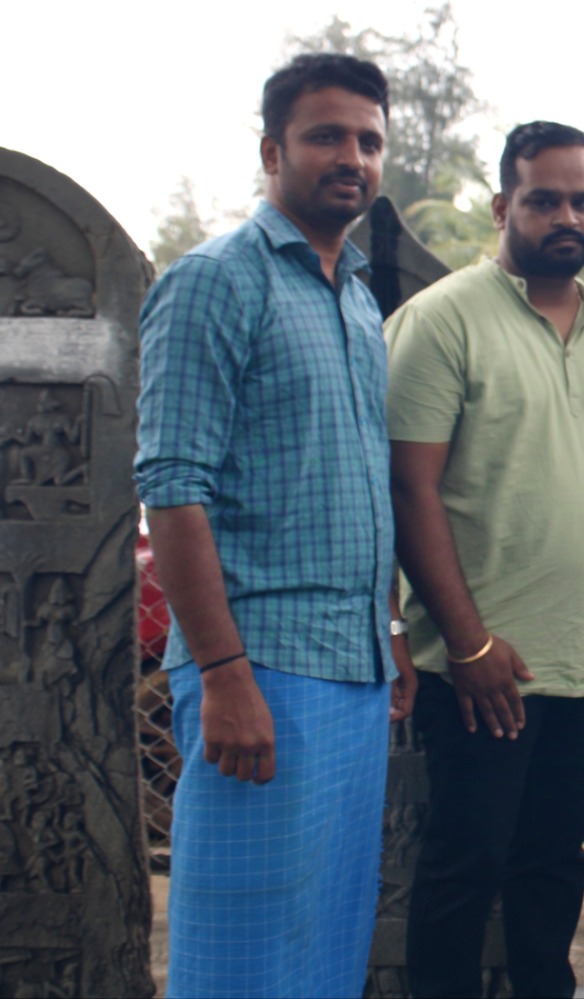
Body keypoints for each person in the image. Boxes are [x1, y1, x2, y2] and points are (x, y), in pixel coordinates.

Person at [134, 53, 415, 999]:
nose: (353, 156)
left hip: (351, 667)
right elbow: (172, 488)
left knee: (321, 942)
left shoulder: (356, 297)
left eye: (369, 140)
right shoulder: (217, 280)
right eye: (327, 135)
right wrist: (221, 673)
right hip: (261, 668)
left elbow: (356, 484)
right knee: (241, 950)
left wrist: (389, 629)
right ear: (272, 150)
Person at [387, 120, 584, 999]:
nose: (565, 215)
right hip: (482, 664)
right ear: (505, 206)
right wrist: (466, 644)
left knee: (553, 862)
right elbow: (410, 489)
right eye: (543, 199)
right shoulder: (442, 321)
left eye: (582, 200)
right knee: (465, 866)